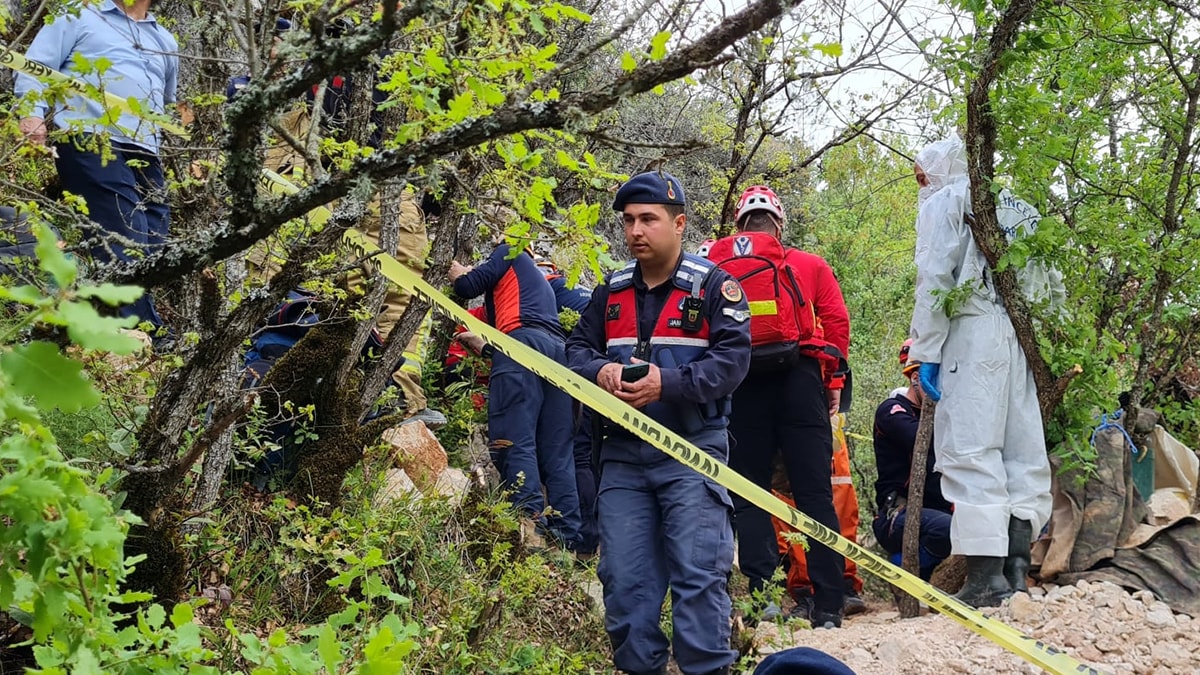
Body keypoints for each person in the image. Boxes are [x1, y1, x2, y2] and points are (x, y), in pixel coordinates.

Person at [566, 170, 750, 675]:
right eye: (628, 221)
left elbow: (733, 362)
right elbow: (575, 349)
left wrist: (665, 384)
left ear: (679, 223)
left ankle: (706, 668)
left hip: (692, 450)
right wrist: (599, 370)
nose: (635, 231)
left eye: (648, 219)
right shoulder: (610, 292)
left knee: (699, 574)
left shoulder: (714, 287)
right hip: (622, 457)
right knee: (624, 583)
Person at [908, 134, 1052, 607]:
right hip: (1021, 337)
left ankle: (986, 579)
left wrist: (926, 349)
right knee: (1021, 452)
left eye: (923, 176)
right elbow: (1050, 285)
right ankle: (1016, 572)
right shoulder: (1023, 208)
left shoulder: (947, 201)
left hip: (971, 332)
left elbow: (935, 278)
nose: (922, 186)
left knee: (971, 449)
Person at [712, 185, 851, 628]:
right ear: (779, 225)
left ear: (739, 226)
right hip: (800, 379)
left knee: (750, 494)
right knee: (814, 493)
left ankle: (764, 600)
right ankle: (829, 605)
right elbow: (836, 321)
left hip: (740, 382)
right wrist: (834, 380)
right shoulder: (808, 264)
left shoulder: (715, 266)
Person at [15, 0, 179, 336]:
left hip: (145, 149)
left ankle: (94, 316)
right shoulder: (78, 13)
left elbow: (167, 101)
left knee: (153, 239)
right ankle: (143, 331)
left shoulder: (165, 40)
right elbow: (34, 66)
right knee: (122, 234)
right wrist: (31, 114)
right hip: (90, 139)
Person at [450, 237, 581, 549]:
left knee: (513, 439)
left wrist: (458, 273)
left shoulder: (510, 251)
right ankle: (566, 539)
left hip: (522, 344)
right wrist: (488, 349)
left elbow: (468, 287)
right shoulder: (537, 284)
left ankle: (529, 525)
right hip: (558, 356)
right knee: (556, 452)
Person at [769, 413, 866, 619]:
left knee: (840, 509)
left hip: (822, 422)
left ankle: (841, 586)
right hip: (798, 424)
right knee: (793, 514)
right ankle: (810, 592)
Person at [871, 339, 952, 581]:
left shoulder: (942, 417)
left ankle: (931, 581)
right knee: (949, 530)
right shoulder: (892, 411)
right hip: (898, 514)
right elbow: (919, 439)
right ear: (916, 377)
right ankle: (903, 572)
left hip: (937, 511)